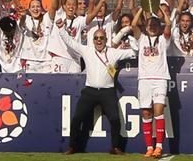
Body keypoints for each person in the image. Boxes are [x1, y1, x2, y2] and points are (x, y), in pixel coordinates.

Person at [57, 21, 136, 155]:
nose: (99, 40)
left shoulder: (114, 52)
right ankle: (72, 147)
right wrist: (60, 29)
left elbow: (134, 52)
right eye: (96, 38)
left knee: (115, 120)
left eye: (101, 38)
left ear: (106, 39)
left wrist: (132, 37)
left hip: (108, 92)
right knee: (77, 119)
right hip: (90, 91)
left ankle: (115, 147)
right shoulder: (86, 50)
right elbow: (70, 42)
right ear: (92, 40)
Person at [131, 7, 172, 158]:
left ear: (158, 26)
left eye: (155, 24)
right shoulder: (141, 38)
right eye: (149, 24)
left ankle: (159, 147)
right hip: (144, 80)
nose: (152, 26)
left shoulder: (163, 40)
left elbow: (169, 24)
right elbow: (134, 25)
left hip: (160, 78)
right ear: (146, 27)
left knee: (159, 111)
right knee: (146, 113)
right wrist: (142, 8)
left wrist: (158, 7)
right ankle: (149, 147)